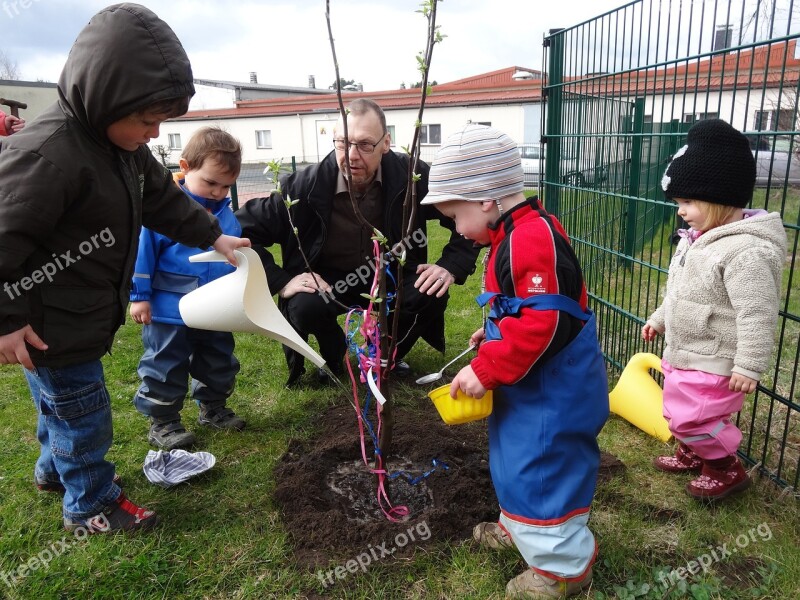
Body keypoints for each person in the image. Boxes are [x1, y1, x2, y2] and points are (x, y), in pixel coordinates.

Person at [0, 3, 250, 533]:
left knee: (59, 408)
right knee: (83, 414)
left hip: (77, 311)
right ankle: (90, 504)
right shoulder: (48, 156)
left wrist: (213, 235)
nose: (156, 133)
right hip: (49, 323)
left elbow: (165, 200)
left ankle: (54, 472)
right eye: (147, 120)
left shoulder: (124, 150)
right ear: (105, 97)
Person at [422, 124, 608, 598]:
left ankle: (563, 568)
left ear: (485, 199)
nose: (456, 229)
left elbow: (546, 323)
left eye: (455, 215)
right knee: (515, 458)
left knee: (543, 467)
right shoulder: (514, 231)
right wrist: (496, 327)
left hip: (553, 388)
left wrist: (485, 367)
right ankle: (522, 527)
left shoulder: (529, 239)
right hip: (529, 381)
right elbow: (530, 305)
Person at [236, 98, 481, 386]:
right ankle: (336, 355)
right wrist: (280, 281)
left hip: (390, 275)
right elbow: (238, 230)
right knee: (304, 306)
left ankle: (384, 354)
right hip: (331, 283)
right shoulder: (303, 187)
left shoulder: (412, 178)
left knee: (429, 291)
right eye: (343, 143)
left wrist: (451, 265)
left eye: (365, 145)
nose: (351, 155)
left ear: (386, 143)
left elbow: (467, 214)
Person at [643, 118, 787, 501]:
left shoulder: (746, 252)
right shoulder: (697, 239)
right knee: (678, 411)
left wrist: (748, 364)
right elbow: (681, 292)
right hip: (688, 350)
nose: (680, 212)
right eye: (678, 203)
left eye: (688, 202)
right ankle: (693, 451)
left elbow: (757, 312)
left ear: (720, 197)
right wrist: (660, 318)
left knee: (696, 417)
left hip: (716, 356)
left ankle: (726, 468)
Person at [130, 126, 246, 450]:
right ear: (185, 167)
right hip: (170, 311)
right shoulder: (164, 213)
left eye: (226, 186)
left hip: (215, 310)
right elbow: (142, 255)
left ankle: (213, 408)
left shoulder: (226, 215)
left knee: (219, 359)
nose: (218, 192)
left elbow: (233, 258)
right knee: (165, 364)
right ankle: (163, 422)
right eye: (210, 182)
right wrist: (139, 297)